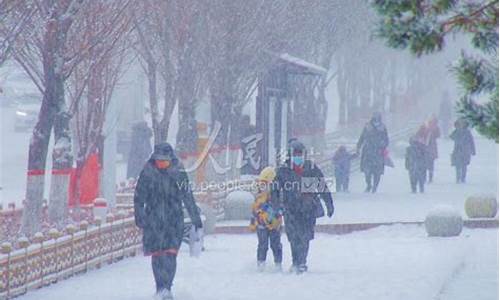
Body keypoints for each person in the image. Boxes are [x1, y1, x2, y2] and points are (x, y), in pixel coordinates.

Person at [134, 143, 203, 300]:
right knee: (157, 255)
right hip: (153, 221)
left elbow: (187, 196)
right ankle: (160, 288)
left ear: (171, 159)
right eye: (159, 161)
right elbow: (139, 198)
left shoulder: (178, 172)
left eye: (165, 161)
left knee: (171, 254)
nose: (162, 164)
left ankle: (167, 287)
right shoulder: (147, 173)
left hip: (174, 219)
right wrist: (140, 217)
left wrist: (195, 219)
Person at [271, 140, 334, 274]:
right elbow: (274, 190)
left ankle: (302, 262)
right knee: (294, 237)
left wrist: (329, 203)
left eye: (300, 154)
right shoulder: (283, 171)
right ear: (290, 155)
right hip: (291, 209)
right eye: (296, 154)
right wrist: (276, 207)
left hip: (308, 209)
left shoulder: (311, 169)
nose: (298, 157)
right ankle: (296, 262)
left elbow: (321, 186)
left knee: (305, 237)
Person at [249, 166, 283, 272]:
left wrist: (276, 215)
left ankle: (278, 263)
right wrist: (253, 223)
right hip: (261, 226)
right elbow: (254, 210)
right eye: (261, 184)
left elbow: (281, 209)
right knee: (262, 245)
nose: (263, 187)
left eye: (266, 184)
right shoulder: (258, 197)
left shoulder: (277, 197)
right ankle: (261, 263)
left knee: (276, 244)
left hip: (274, 225)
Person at [356, 112, 389, 193]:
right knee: (367, 171)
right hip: (368, 152)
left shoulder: (383, 127)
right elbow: (362, 137)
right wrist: (358, 146)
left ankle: (375, 187)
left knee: (377, 172)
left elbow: (386, 139)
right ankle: (369, 184)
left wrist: (383, 145)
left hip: (378, 152)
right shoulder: (367, 126)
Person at [450, 119, 475, 183]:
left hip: (465, 151)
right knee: (458, 165)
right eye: (459, 124)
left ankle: (463, 178)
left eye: (462, 124)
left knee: (464, 165)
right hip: (457, 150)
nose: (461, 125)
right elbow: (451, 136)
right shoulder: (456, 131)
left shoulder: (467, 132)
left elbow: (471, 141)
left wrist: (473, 150)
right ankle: (458, 178)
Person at [426, 116, 441, 183]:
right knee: (427, 163)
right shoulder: (425, 128)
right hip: (427, 148)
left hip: (430, 148)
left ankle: (430, 177)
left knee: (430, 163)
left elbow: (438, 135)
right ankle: (426, 176)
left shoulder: (435, 128)